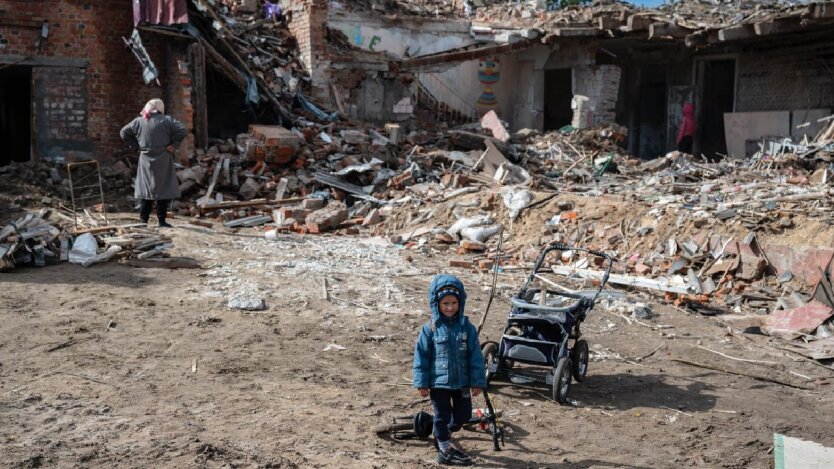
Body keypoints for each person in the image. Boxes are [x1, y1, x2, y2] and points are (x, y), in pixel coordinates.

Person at [413, 274, 486, 466]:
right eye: (445, 303)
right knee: (443, 416)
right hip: (439, 384)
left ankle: (439, 428)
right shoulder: (430, 328)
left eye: (454, 302)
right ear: (436, 303)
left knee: (462, 415)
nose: (450, 307)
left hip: (461, 383)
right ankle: (444, 450)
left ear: (460, 302)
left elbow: (476, 356)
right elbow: (421, 356)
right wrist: (421, 382)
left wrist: (477, 381)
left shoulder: (467, 328)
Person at [120, 99, 187, 227]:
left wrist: (135, 147)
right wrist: (174, 145)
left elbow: (123, 132)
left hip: (145, 158)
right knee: (164, 188)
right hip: (164, 157)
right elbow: (182, 130)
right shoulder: (167, 120)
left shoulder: (139, 121)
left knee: (146, 189)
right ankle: (162, 221)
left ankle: (143, 221)